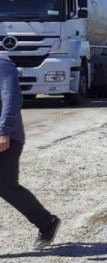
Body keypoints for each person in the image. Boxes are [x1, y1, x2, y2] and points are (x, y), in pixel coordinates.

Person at [0, 53, 60, 247]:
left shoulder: (2, 62)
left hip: (5, 136)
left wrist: (4, 131)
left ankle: (47, 223)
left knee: (6, 187)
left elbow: (12, 97)